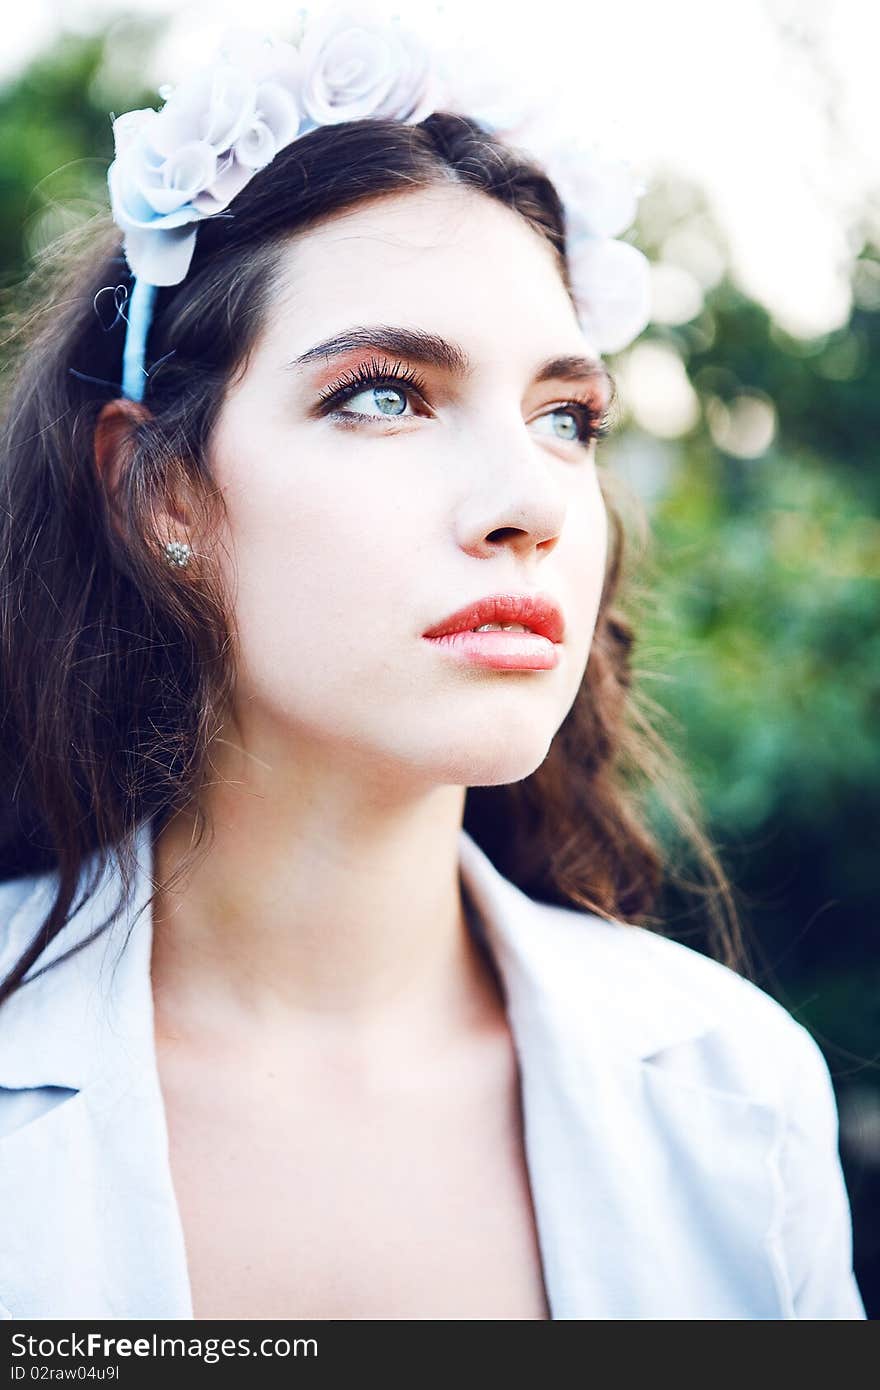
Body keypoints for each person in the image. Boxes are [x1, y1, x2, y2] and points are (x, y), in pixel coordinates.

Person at [0, 5, 866, 1321]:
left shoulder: (739, 1094)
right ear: (159, 488)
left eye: (564, 415)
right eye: (385, 393)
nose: (529, 499)